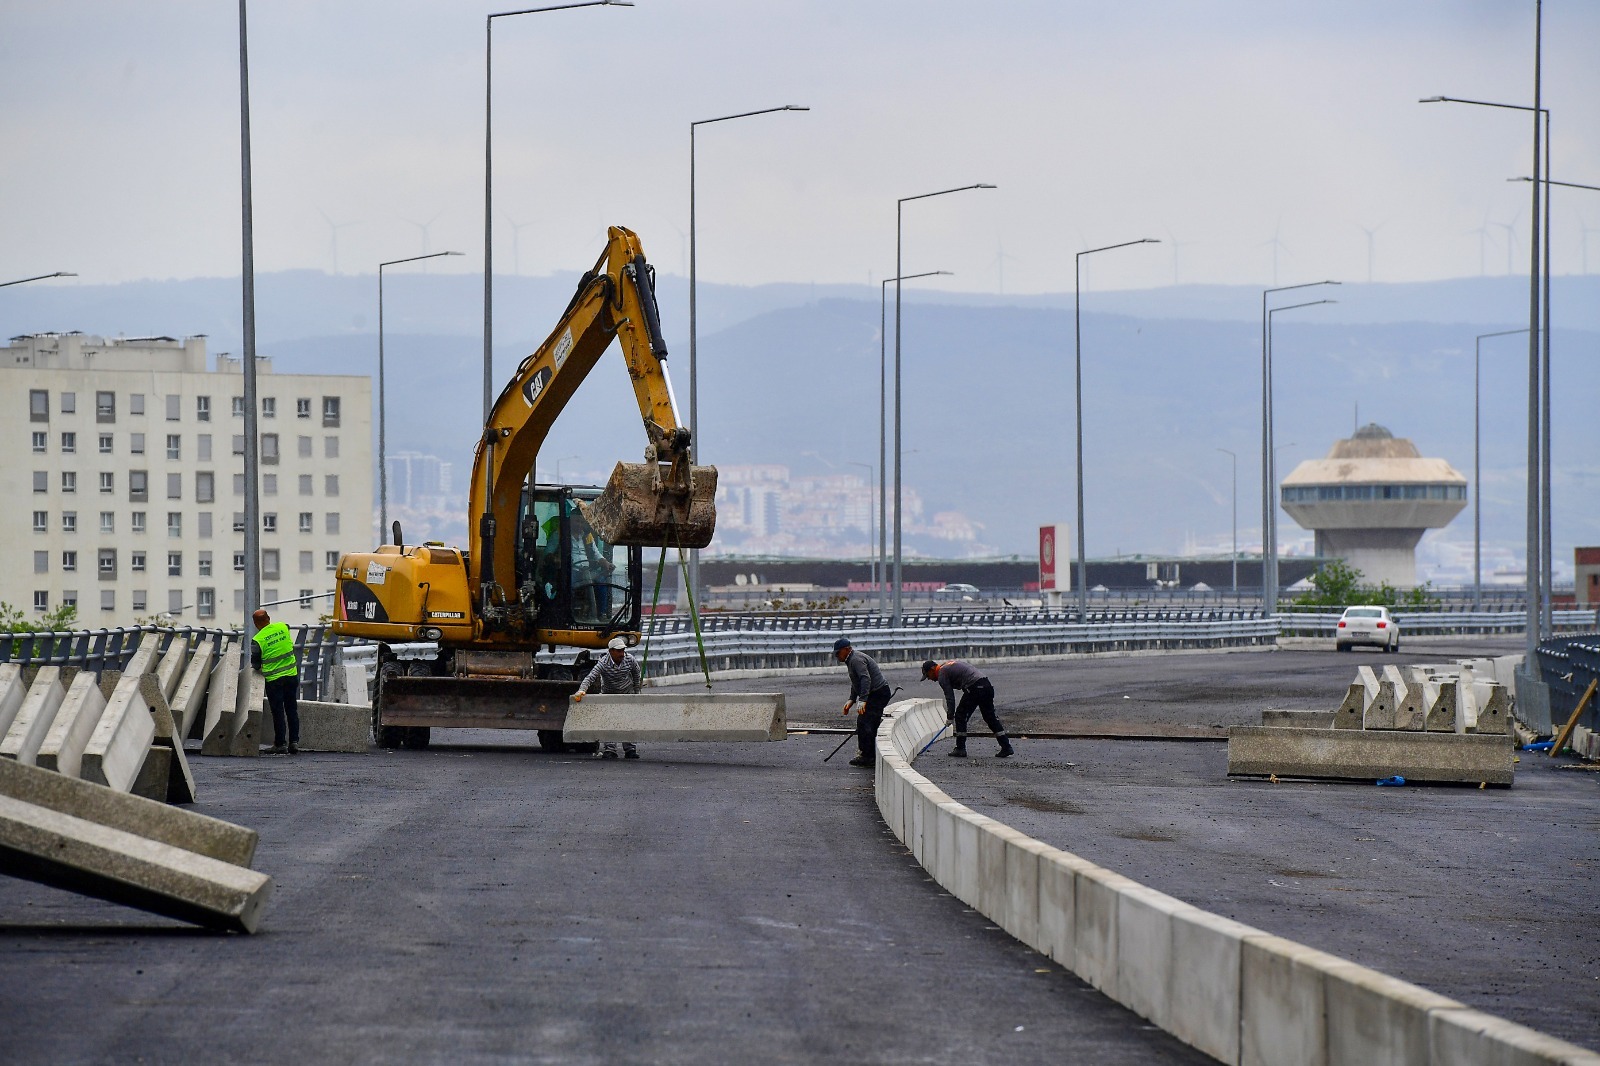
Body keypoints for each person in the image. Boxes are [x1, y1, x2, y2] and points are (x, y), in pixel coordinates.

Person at [921, 659, 1014, 758]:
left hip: (975, 688)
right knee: (990, 717)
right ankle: (1006, 747)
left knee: (960, 716)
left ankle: (960, 749)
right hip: (986, 686)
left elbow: (950, 697)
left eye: (928, 675)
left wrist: (950, 716)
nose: (929, 679)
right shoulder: (947, 666)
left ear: (932, 669)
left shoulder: (942, 674)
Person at [572, 636, 640, 759]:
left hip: (627, 693)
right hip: (609, 694)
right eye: (618, 651)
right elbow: (590, 677)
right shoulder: (603, 663)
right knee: (609, 721)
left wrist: (637, 692)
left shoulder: (630, 659)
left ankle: (630, 749)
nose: (621, 654)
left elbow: (636, 674)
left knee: (628, 721)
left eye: (623, 650)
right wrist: (582, 690)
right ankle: (610, 749)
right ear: (611, 651)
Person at [834, 637, 892, 768]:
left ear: (846, 649)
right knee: (866, 722)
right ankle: (870, 754)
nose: (837, 656)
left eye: (838, 653)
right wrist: (852, 699)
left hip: (878, 693)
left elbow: (865, 679)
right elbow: (856, 681)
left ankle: (868, 756)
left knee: (865, 722)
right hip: (874, 693)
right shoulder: (850, 660)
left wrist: (863, 700)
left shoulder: (856, 659)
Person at [250, 608, 300, 755]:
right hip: (291, 675)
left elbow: (256, 664)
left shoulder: (257, 640)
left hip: (274, 680)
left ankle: (280, 744)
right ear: (269, 618)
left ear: (255, 623)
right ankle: (294, 742)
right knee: (292, 709)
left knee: (278, 711)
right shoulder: (283, 627)